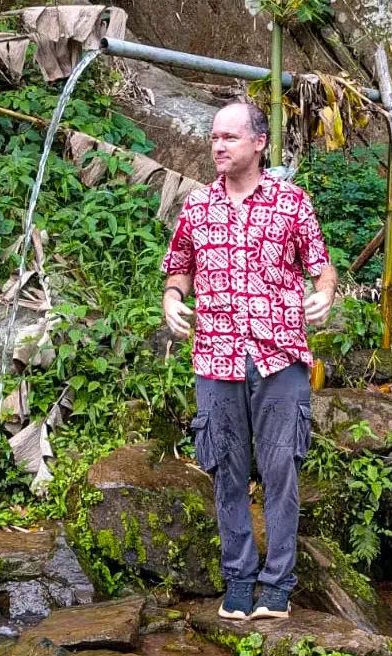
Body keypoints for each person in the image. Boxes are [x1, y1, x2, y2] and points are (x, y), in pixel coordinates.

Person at [160, 101, 337, 620]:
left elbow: (322, 267)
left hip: (280, 353)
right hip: (215, 354)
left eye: (230, 137)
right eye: (214, 137)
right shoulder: (197, 206)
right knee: (226, 469)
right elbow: (179, 268)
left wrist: (325, 293)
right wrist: (173, 297)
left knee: (281, 468)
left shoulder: (291, 201)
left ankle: (277, 586)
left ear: (259, 143)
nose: (218, 146)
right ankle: (238, 580)